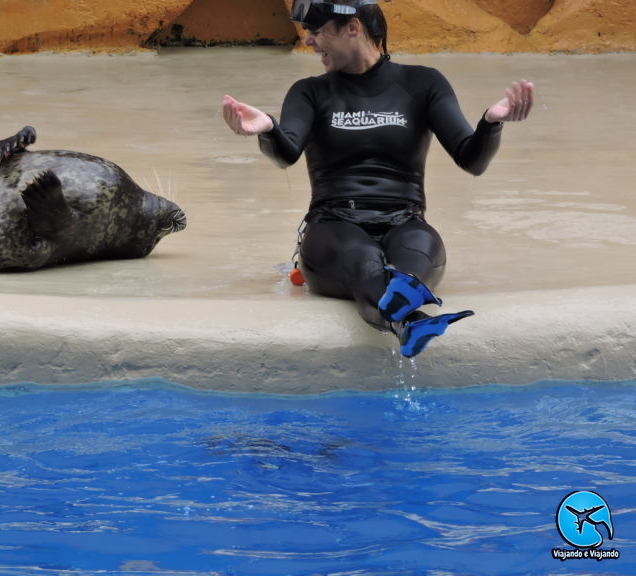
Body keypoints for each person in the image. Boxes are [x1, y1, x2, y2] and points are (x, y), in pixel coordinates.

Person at [221, 0, 534, 357]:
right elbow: (286, 152)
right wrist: (267, 130)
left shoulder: (423, 83)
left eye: (318, 31)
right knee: (363, 259)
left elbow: (471, 159)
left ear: (353, 28)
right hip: (332, 228)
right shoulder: (309, 92)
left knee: (413, 264)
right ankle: (409, 319)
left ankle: (408, 322)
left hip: (407, 222)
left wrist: (491, 123)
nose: (309, 41)